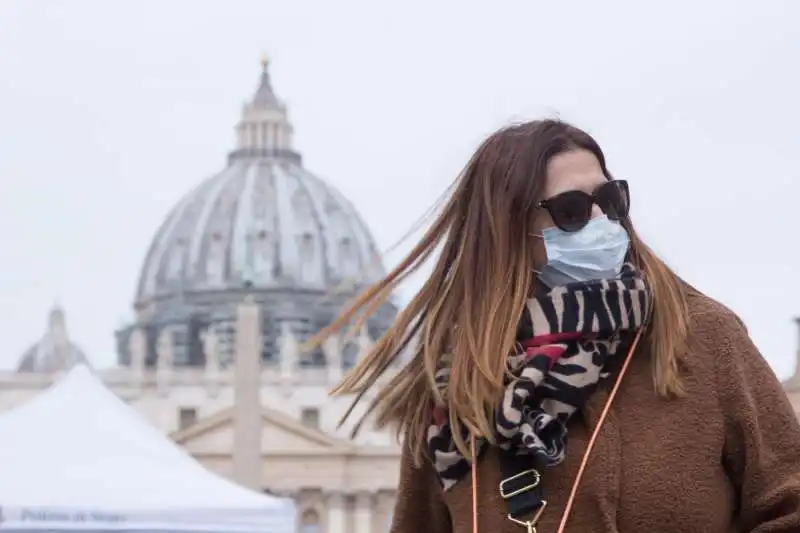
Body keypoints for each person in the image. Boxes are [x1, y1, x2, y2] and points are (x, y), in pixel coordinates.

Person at [310, 120, 800, 532]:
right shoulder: (452, 388)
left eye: (610, 199)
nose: (601, 221)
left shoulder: (703, 338)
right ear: (506, 230)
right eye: (570, 211)